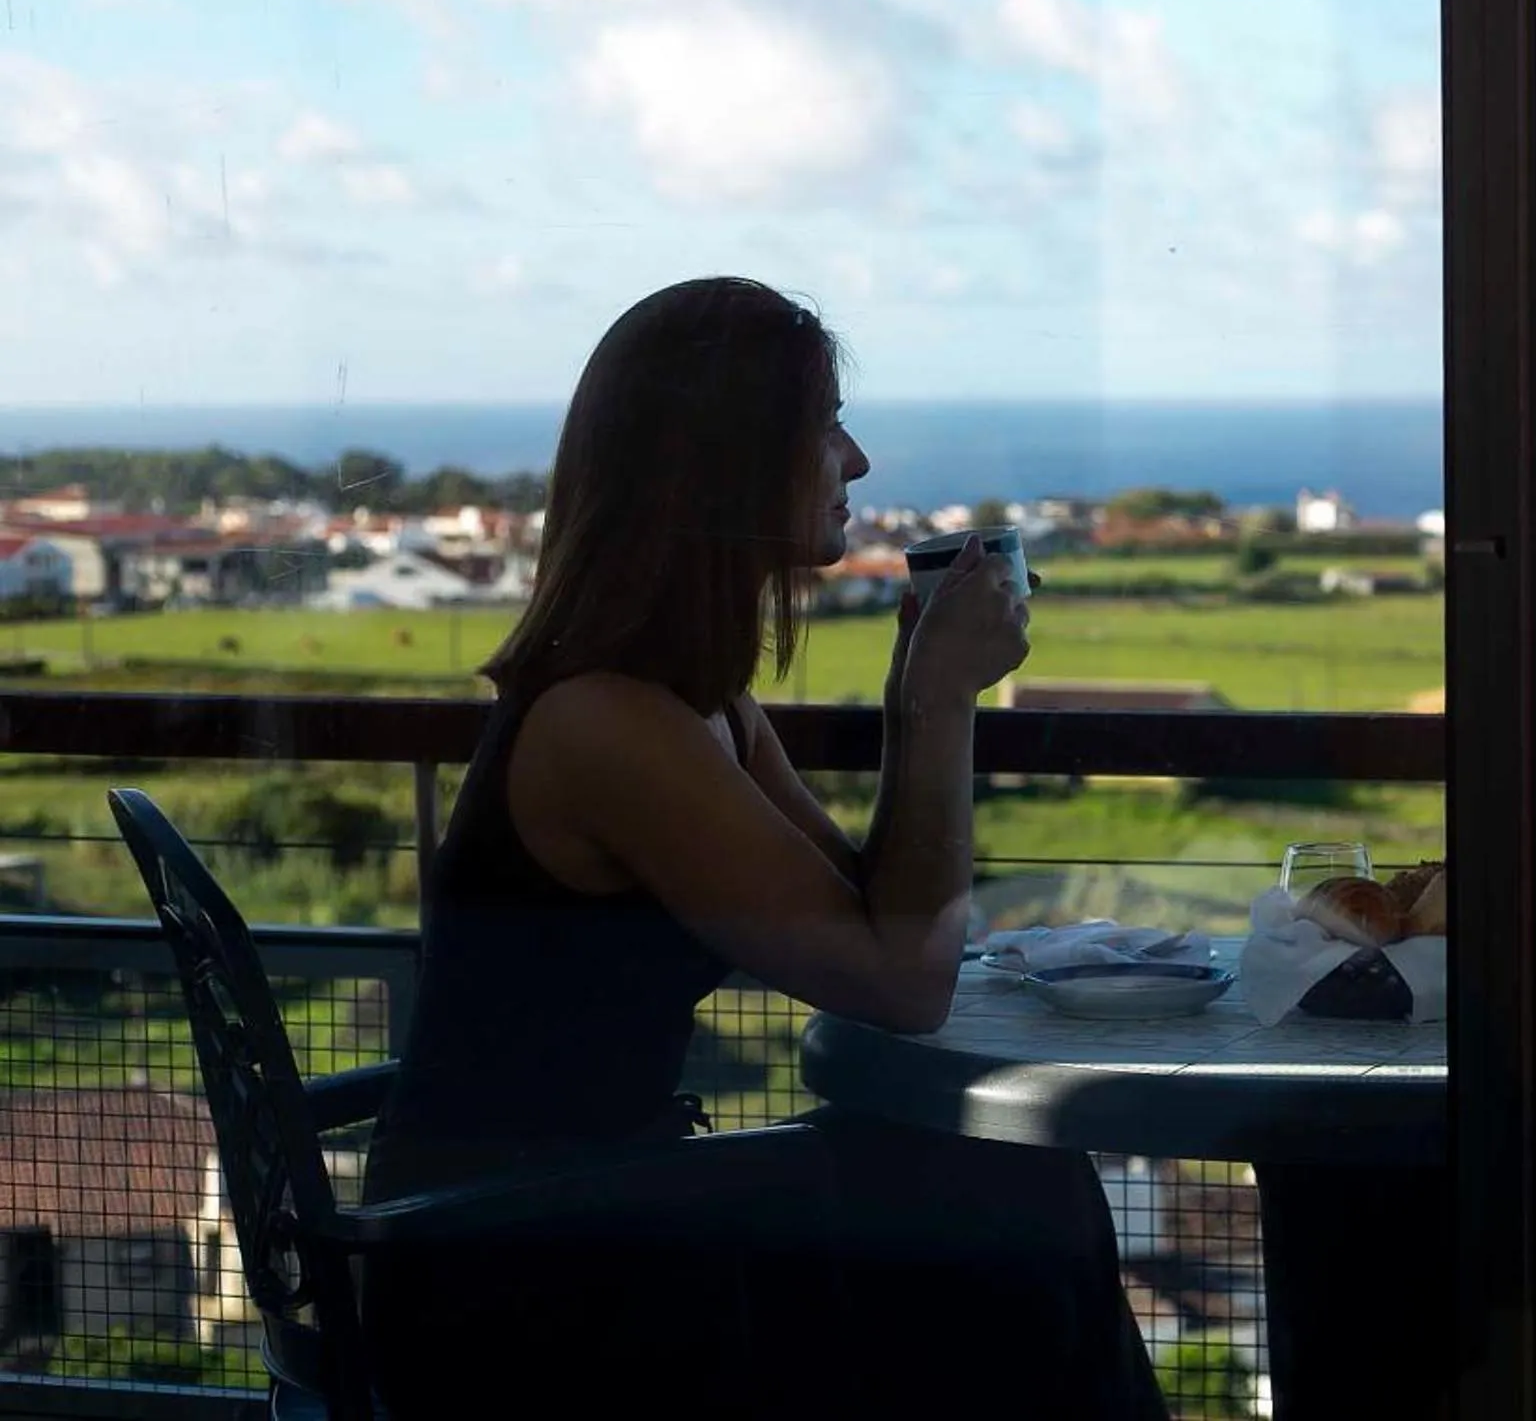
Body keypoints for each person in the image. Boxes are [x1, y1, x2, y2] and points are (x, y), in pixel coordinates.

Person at [364, 275, 1168, 1419]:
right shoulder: (608, 722)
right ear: (725, 459)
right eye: (823, 422)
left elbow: (868, 914)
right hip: (512, 1274)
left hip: (589, 1216)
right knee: (1007, 1194)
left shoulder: (697, 706)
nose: (855, 460)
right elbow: (903, 976)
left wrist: (913, 692)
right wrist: (943, 701)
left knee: (1003, 1183)